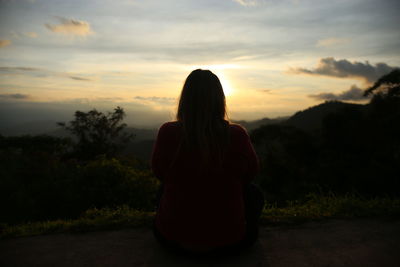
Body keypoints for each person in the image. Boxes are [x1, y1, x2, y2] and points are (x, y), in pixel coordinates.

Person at [151, 69, 265, 257]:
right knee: (253, 192)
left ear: (185, 100)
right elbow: (251, 174)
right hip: (232, 244)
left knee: (163, 190)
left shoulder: (167, 132)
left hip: (173, 242)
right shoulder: (237, 135)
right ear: (220, 100)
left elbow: (159, 172)